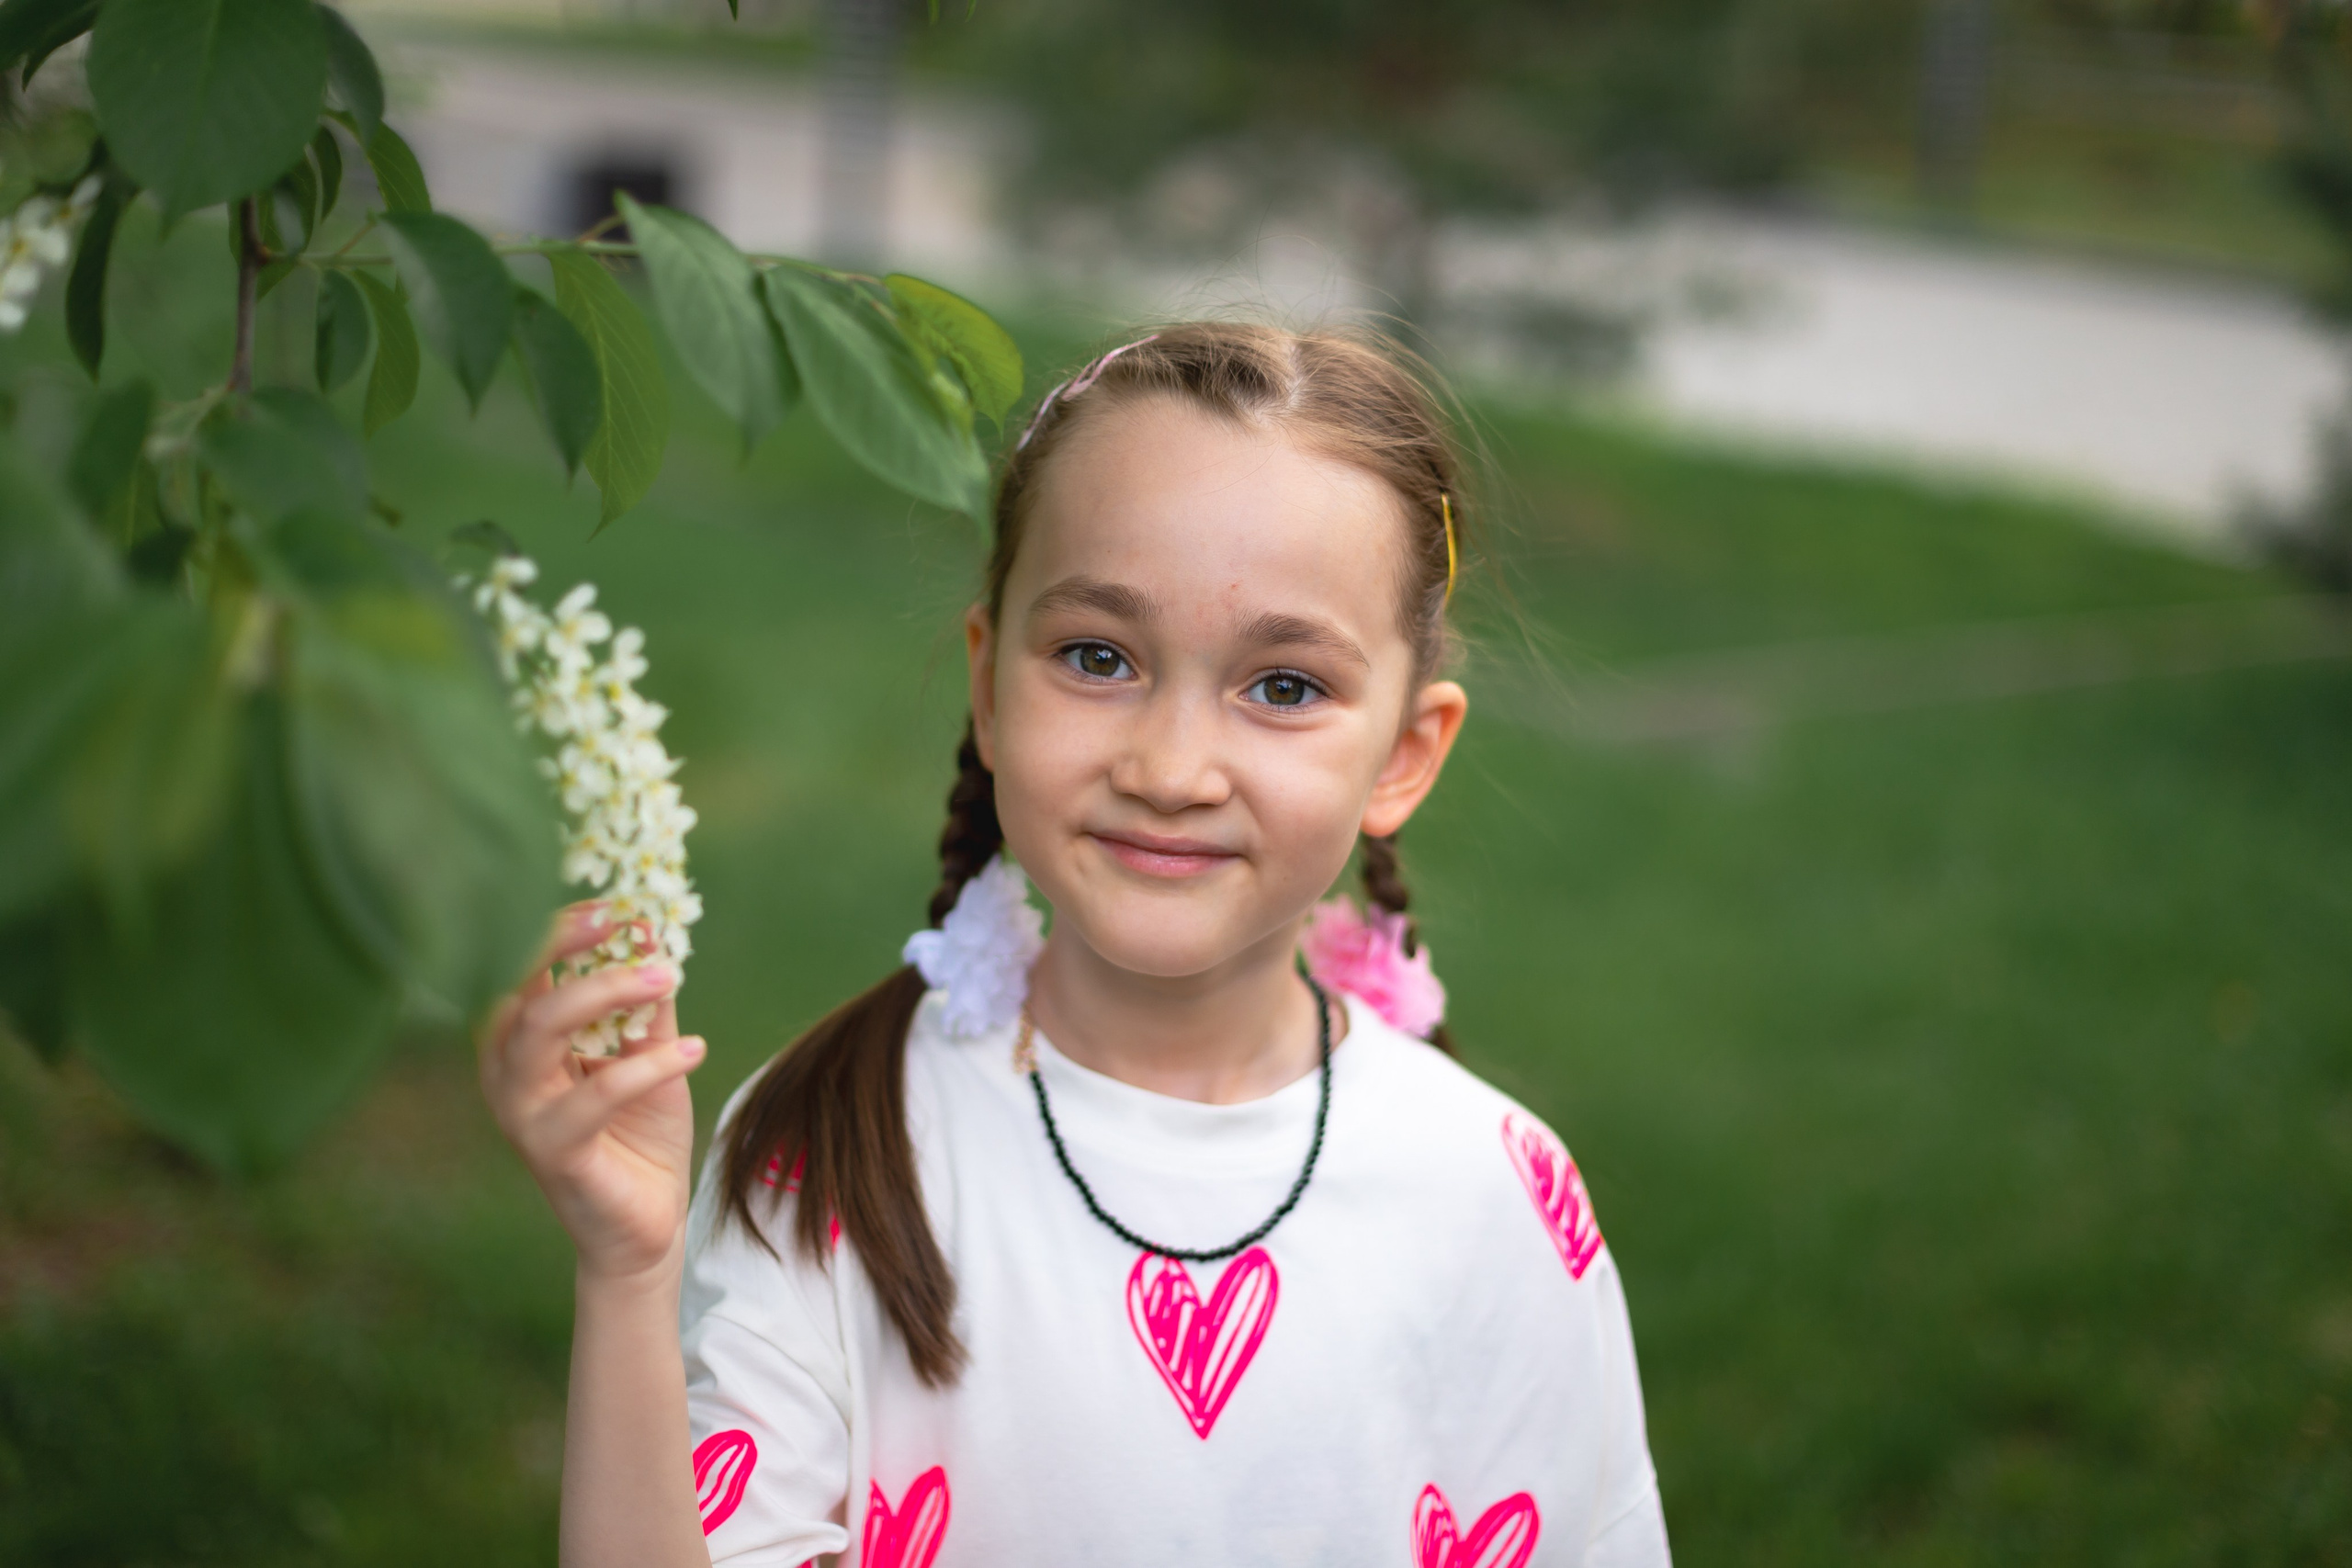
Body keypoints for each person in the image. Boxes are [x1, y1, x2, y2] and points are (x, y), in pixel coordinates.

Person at [480, 322, 1671, 1567]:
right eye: (1098, 659)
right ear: (990, 687)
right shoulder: (826, 1147)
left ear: (1405, 756)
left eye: (1284, 686)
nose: (1170, 768)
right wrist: (630, 1273)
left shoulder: (1497, 1195)